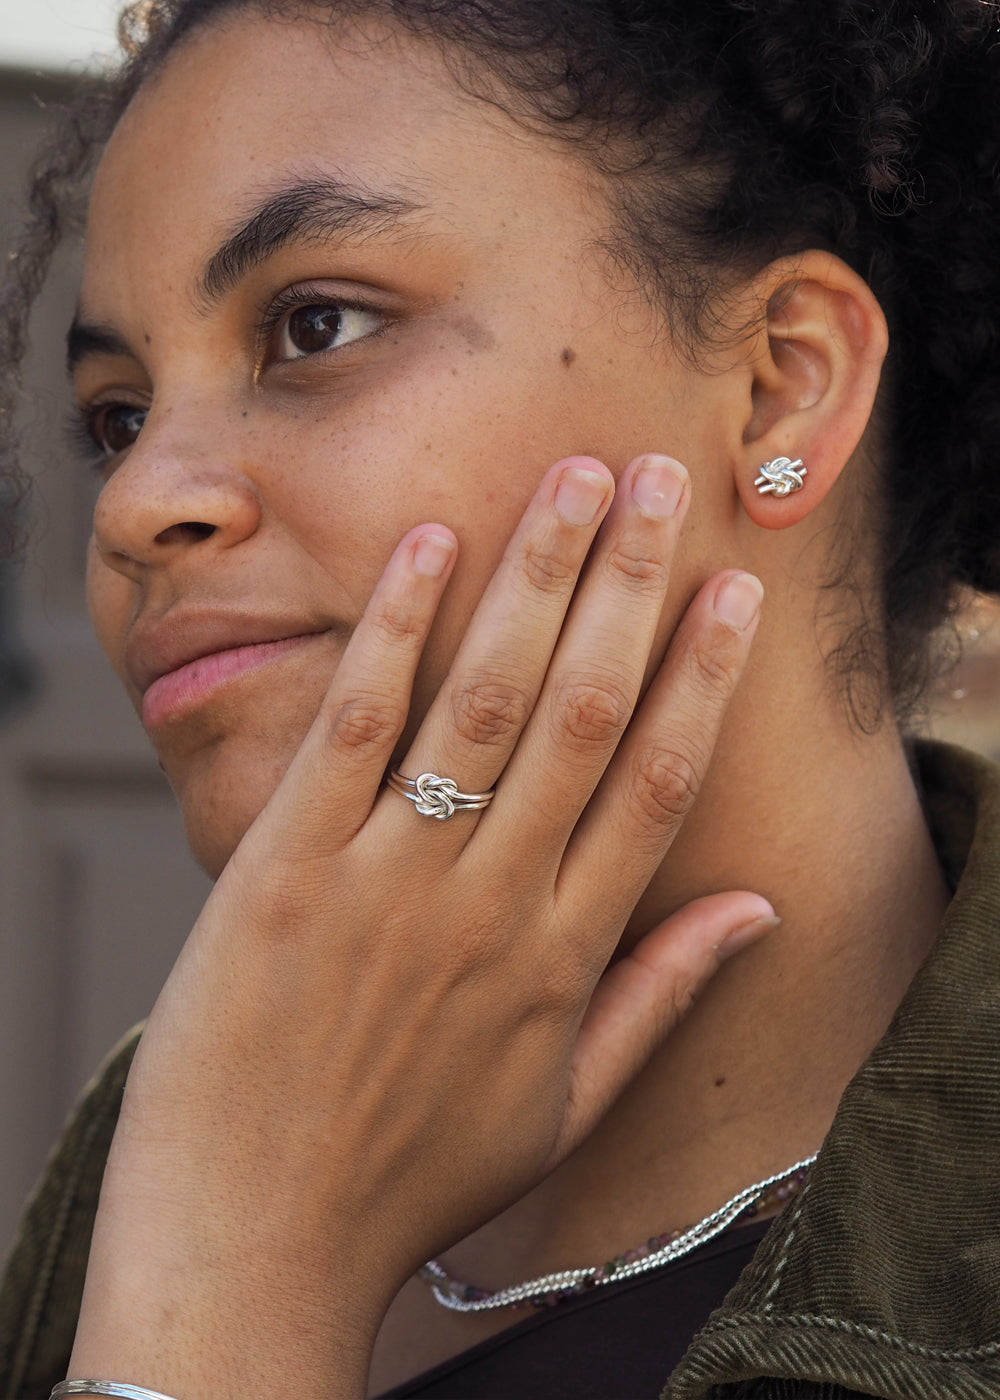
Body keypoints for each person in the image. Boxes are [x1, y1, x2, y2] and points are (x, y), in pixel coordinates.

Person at [1, 1, 999, 1396]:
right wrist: (237, 1240)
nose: (140, 502)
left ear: (781, 390)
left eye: (315, 324)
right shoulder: (178, 1132)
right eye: (119, 416)